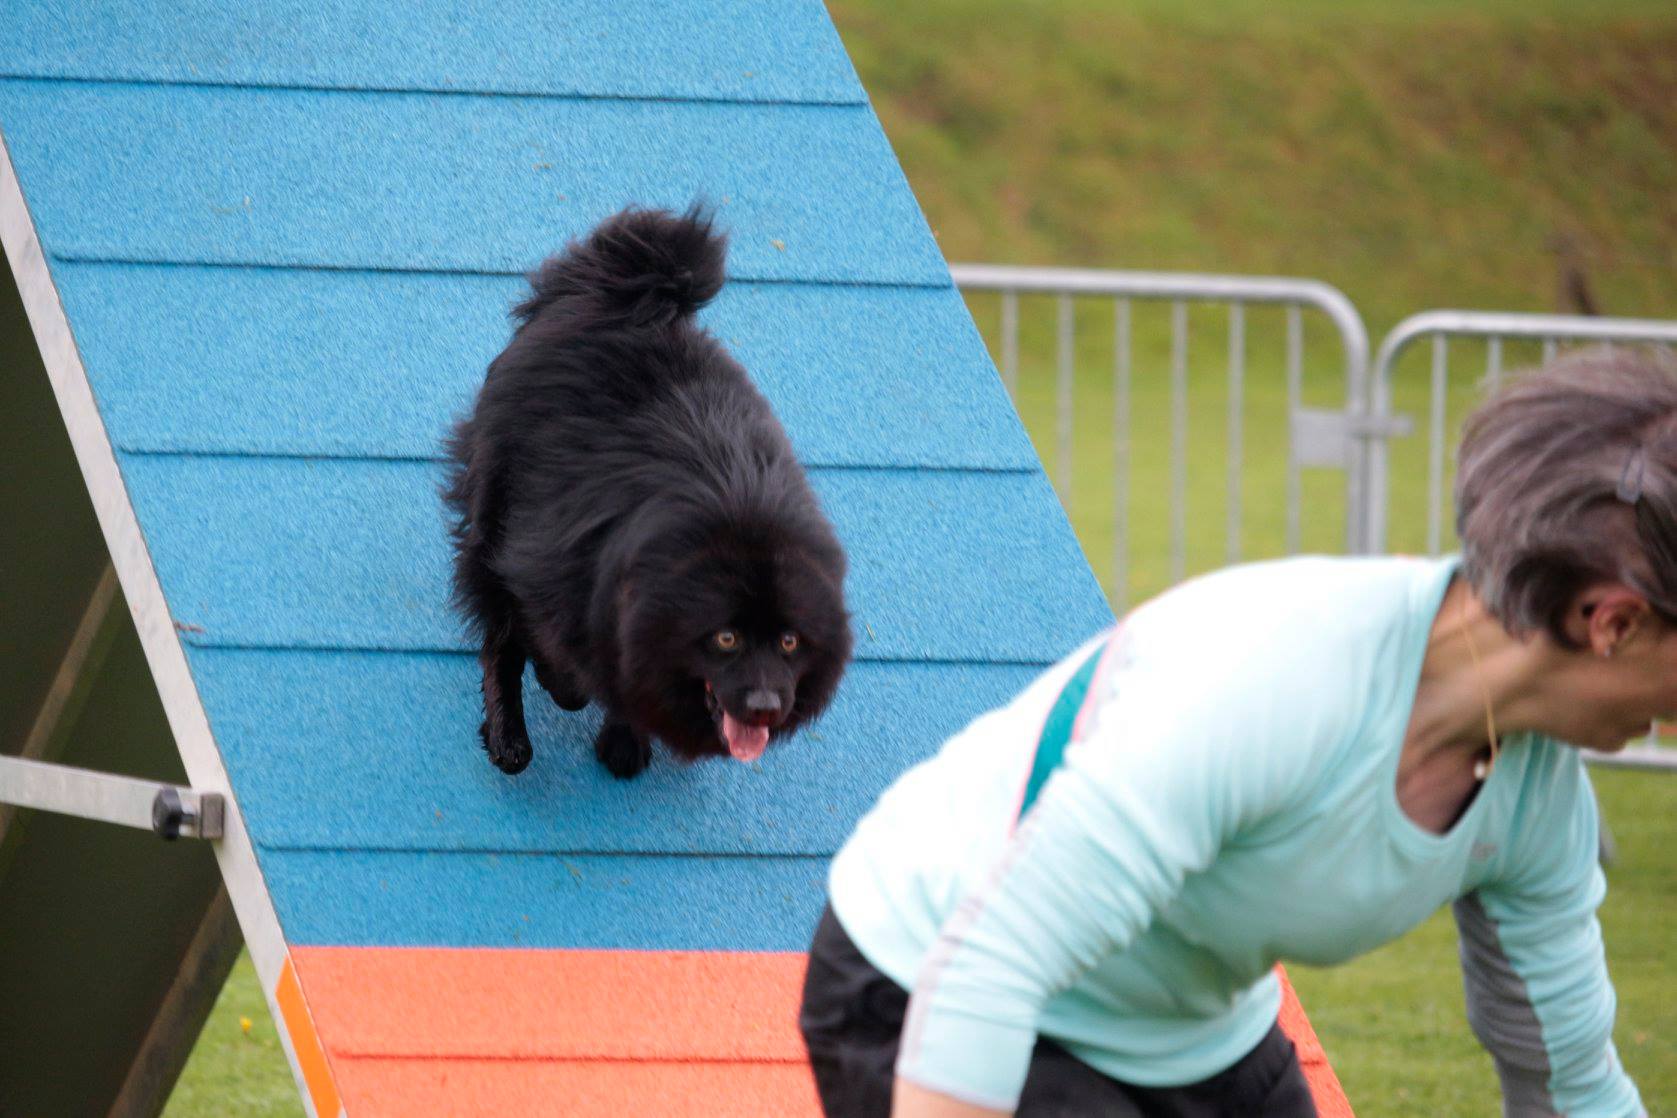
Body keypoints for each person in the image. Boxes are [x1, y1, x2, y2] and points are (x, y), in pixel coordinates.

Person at [799, 348, 1668, 1117]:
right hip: (927, 974)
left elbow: (1571, 1087)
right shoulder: (1275, 678)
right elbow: (990, 968)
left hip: (1187, 1036)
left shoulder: (1537, 801)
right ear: (1613, 623)